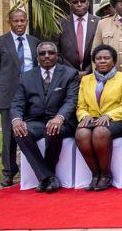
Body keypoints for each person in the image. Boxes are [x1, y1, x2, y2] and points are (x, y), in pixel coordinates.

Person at [9, 42, 79, 192]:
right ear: (37, 57)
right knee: (21, 132)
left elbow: (71, 100)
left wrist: (60, 117)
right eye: (42, 53)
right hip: (36, 120)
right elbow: (17, 103)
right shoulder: (26, 77)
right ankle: (46, 177)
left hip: (62, 121)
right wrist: (16, 120)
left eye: (50, 52)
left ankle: (47, 174)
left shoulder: (70, 74)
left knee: (52, 129)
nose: (47, 56)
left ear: (57, 55)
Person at [0, 9, 40, 186]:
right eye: (16, 21)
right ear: (9, 22)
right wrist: (7, 88)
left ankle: (35, 170)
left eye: (22, 21)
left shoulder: (35, 43)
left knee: (33, 131)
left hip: (32, 96)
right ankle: (9, 172)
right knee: (9, 136)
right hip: (8, 97)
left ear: (27, 21)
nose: (19, 24)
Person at [74, 45, 122, 190]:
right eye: (99, 58)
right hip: (93, 119)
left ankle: (106, 175)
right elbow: (80, 106)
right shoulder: (86, 80)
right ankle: (95, 175)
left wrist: (109, 115)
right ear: (94, 61)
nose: (102, 61)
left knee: (100, 132)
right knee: (81, 133)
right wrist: (85, 116)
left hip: (119, 120)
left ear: (113, 61)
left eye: (106, 58)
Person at [57, 0, 99, 75]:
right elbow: (56, 51)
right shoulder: (60, 23)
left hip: (93, 73)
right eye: (75, 2)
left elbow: (102, 48)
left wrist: (88, 70)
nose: (79, 4)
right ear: (70, 4)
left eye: (83, 1)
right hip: (66, 74)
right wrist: (73, 72)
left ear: (88, 2)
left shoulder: (98, 22)